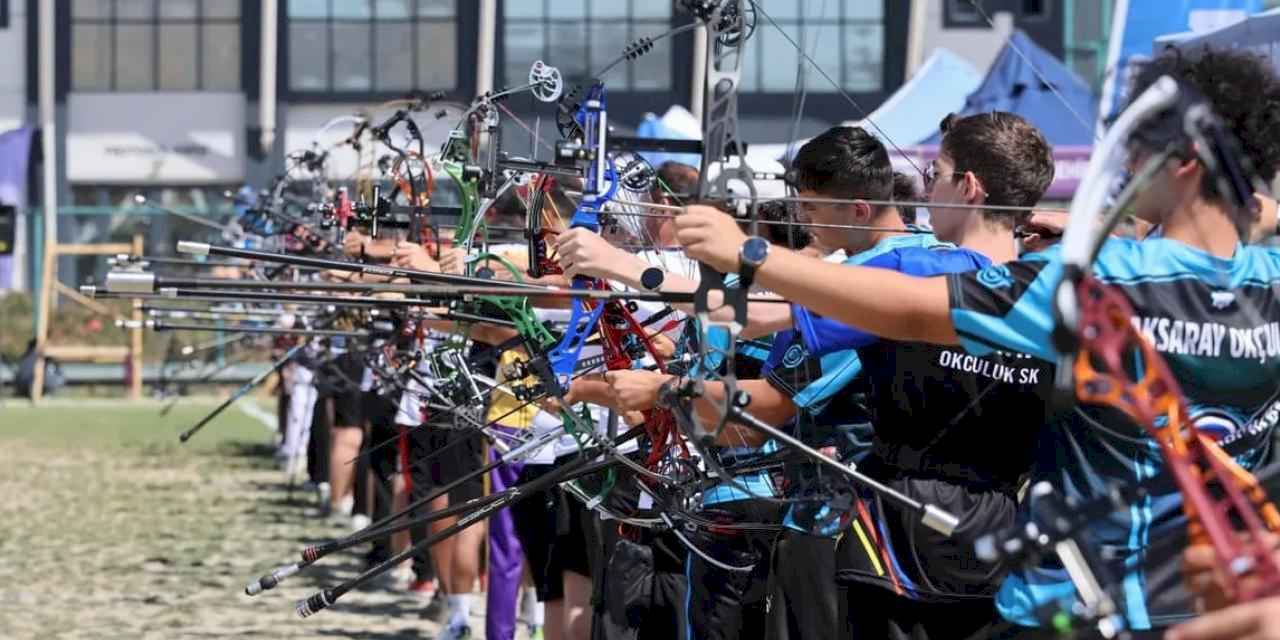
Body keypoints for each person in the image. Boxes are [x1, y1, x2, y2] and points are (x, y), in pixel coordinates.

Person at [673, 47, 1280, 637]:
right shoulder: (1267, 282)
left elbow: (908, 310)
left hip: (1087, 604)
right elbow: (1255, 218)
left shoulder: (1097, 282)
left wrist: (748, 253)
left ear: (1183, 163)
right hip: (1224, 604)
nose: (1123, 164)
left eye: (1141, 145)